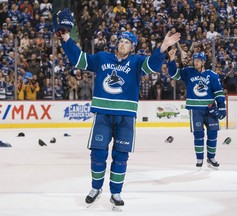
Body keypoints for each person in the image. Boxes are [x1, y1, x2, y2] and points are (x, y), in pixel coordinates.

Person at [53, 8, 180, 208]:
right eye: (120, 41)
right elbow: (78, 60)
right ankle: (96, 187)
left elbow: (153, 65)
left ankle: (116, 193)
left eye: (127, 42)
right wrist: (67, 38)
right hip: (103, 113)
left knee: (121, 155)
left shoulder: (137, 62)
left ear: (132, 47)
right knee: (98, 152)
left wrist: (163, 47)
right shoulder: (102, 57)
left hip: (125, 116)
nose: (122, 44)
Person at [167, 50, 226, 169]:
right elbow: (173, 74)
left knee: (213, 134)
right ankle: (199, 159)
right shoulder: (188, 72)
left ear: (203, 62)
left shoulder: (212, 75)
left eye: (198, 60)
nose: (195, 62)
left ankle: (211, 157)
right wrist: (172, 59)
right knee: (198, 135)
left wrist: (222, 107)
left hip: (210, 109)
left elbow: (218, 92)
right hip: (195, 109)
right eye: (194, 60)